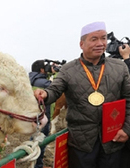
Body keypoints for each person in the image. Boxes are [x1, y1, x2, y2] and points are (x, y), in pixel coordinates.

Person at [33, 21, 130, 168]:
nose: (100, 43)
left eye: (103, 38)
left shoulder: (120, 67)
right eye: (94, 39)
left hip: (114, 139)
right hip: (81, 143)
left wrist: (127, 129)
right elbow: (54, 90)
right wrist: (45, 94)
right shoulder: (68, 70)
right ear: (81, 44)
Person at [29, 60, 55, 168]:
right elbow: (57, 87)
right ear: (41, 70)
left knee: (35, 140)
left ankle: (35, 162)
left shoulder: (32, 79)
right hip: (42, 117)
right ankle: (37, 165)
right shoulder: (42, 82)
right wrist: (55, 72)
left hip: (35, 117)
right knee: (40, 141)